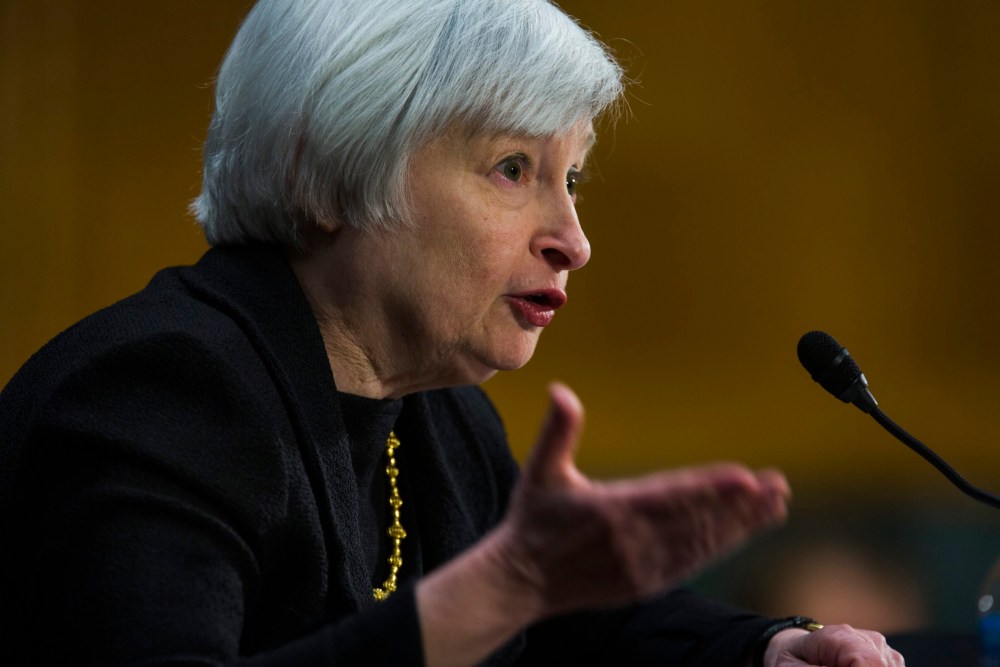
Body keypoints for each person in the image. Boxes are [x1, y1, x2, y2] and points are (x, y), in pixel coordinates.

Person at [0, 1, 904, 665]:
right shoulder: (160, 393)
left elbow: (563, 624)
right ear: (328, 178)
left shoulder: (432, 410)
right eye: (513, 168)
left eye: (573, 179)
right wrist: (495, 590)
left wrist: (767, 649)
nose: (574, 242)